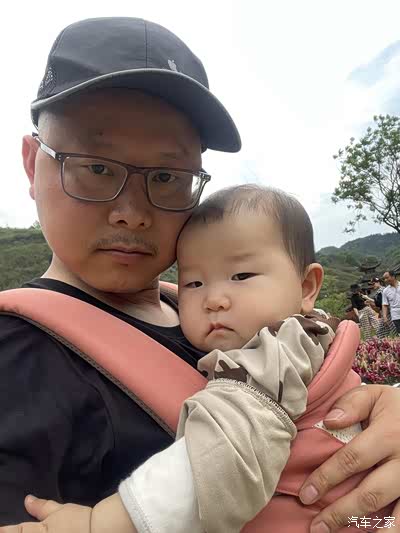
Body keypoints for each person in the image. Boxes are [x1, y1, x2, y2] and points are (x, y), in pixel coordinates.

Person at [1, 16, 400, 533]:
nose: (131, 213)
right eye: (96, 167)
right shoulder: (18, 353)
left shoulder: (209, 313)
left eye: (167, 176)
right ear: (32, 164)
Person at [0, 187, 394, 533]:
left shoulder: (275, 350)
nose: (214, 299)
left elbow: (224, 451)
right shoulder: (22, 345)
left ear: (306, 287)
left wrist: (100, 524)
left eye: (241, 276)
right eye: (194, 282)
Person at [383, 270, 400, 334]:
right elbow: (385, 304)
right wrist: (385, 316)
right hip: (395, 315)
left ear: (393, 276)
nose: (385, 280)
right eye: (384, 278)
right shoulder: (385, 291)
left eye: (387, 278)